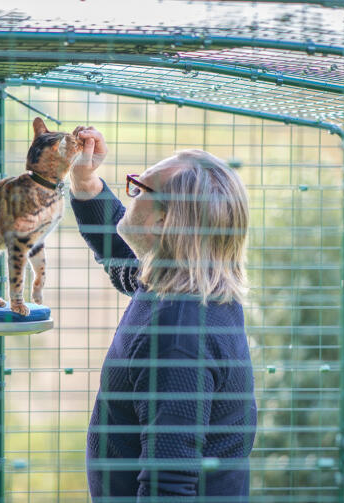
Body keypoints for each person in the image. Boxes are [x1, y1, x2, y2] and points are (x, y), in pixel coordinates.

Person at [69, 126, 257, 502]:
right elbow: (124, 258)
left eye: (140, 188)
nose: (132, 192)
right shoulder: (183, 285)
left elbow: (168, 486)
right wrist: (85, 182)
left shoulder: (178, 335)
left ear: (163, 223)